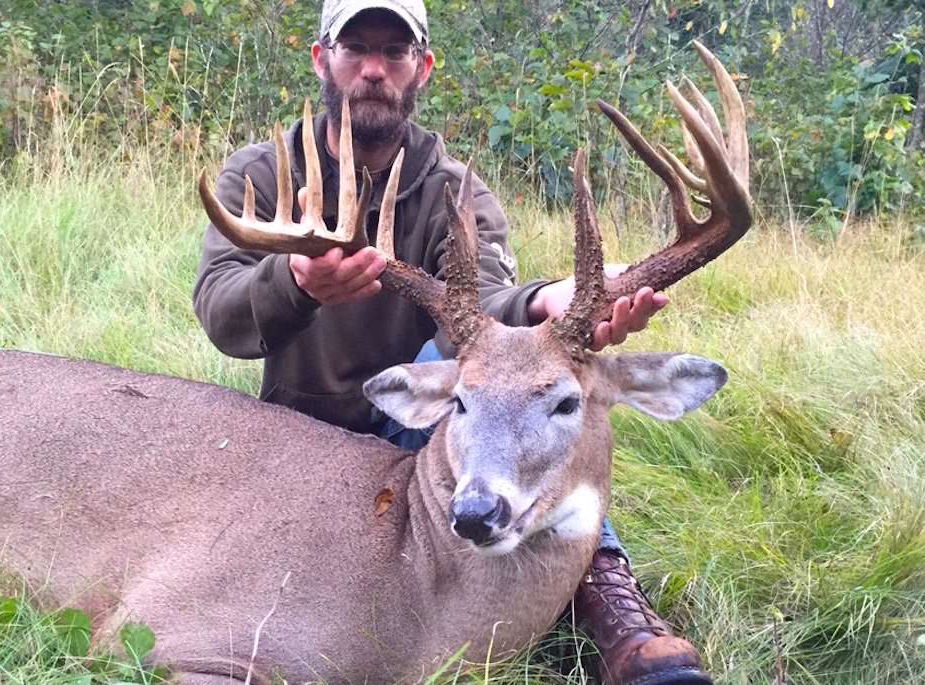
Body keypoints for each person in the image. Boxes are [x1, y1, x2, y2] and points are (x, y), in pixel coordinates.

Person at [193, 2, 712, 684]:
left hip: (430, 425)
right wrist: (295, 280)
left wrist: (543, 300)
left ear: (423, 68)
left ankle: (606, 590)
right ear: (321, 59)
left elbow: (484, 315)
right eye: (355, 48)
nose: (374, 68)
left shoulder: (456, 194)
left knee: (530, 381)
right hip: (301, 426)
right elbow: (220, 315)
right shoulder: (261, 177)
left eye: (395, 52)